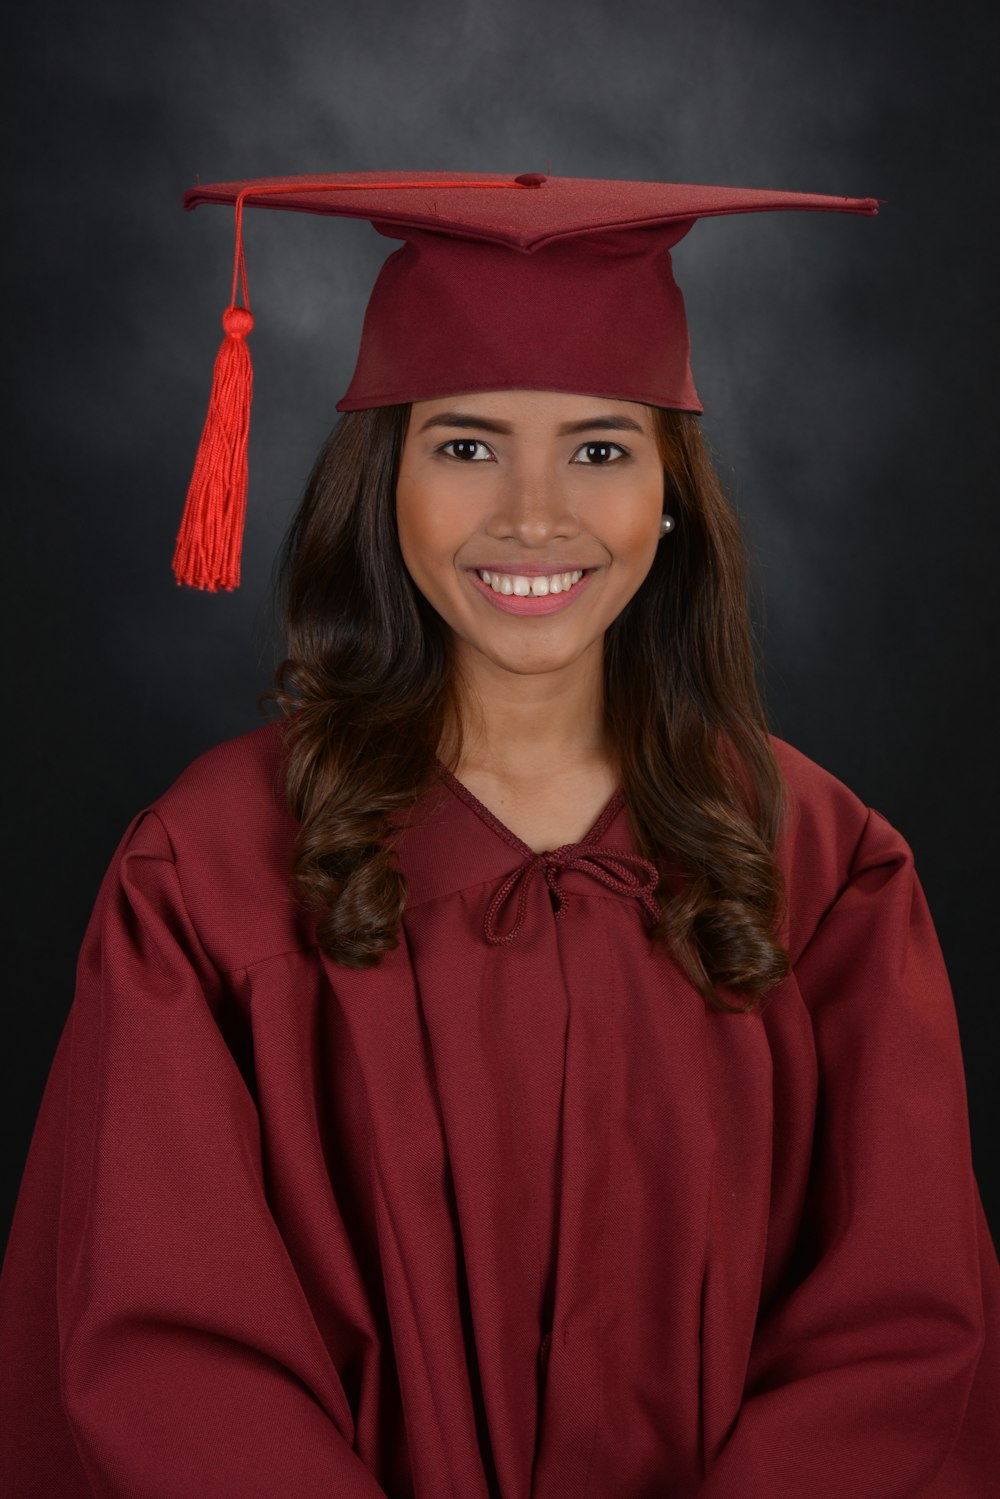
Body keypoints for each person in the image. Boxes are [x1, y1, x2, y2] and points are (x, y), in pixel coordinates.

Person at [1, 171, 997, 1498]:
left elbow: (904, 1319)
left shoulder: (826, 866)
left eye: (601, 447)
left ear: (673, 493)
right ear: (384, 485)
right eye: (464, 445)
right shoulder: (207, 873)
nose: (535, 516)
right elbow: (161, 1338)